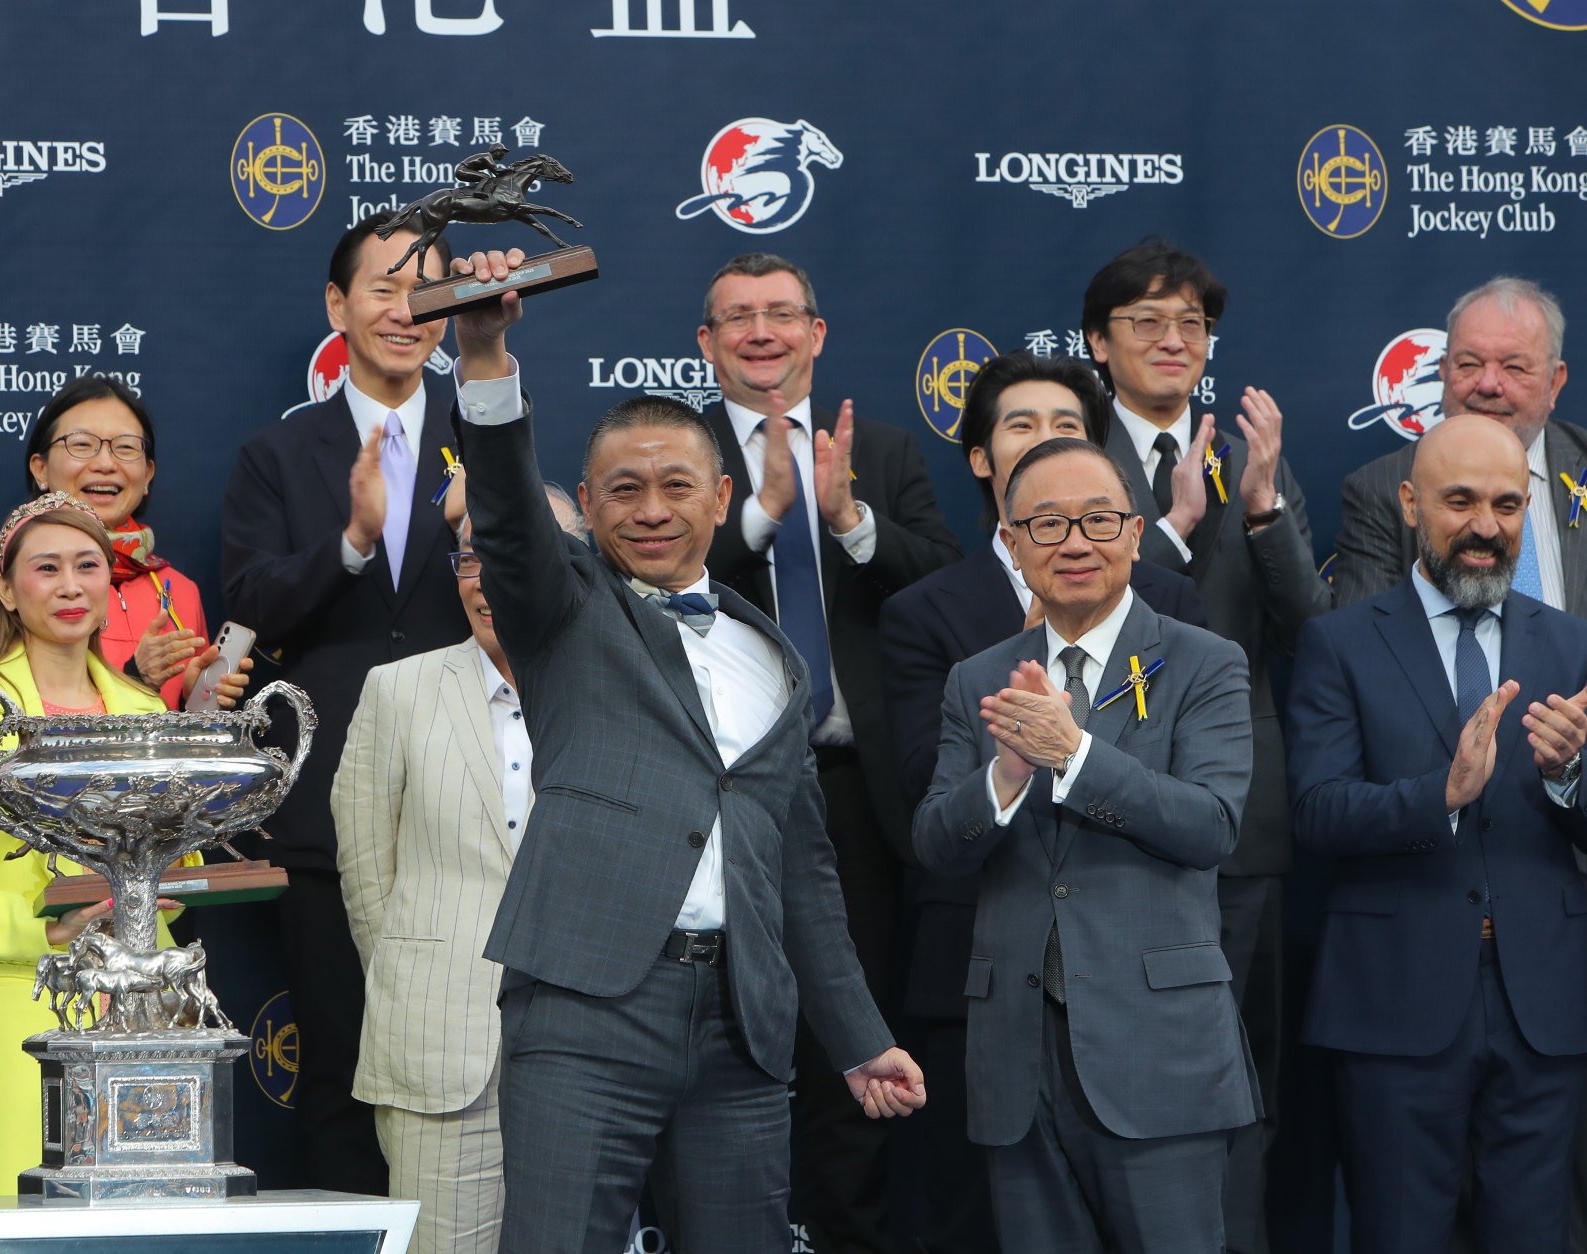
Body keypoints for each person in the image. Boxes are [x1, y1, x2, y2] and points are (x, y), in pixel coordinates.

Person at [451, 246, 923, 1253]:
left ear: (722, 497)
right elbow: (501, 507)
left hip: (742, 1021)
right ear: (586, 502)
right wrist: (484, 347)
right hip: (586, 1006)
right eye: (624, 491)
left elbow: (801, 869)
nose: (652, 509)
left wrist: (858, 1034)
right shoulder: (563, 613)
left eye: (675, 486)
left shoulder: (775, 658)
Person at [878, 350, 1207, 1253]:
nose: (1074, 540)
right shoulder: (960, 664)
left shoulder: (1193, 643)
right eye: (1048, 523)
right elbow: (932, 829)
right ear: (1012, 538)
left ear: (1134, 531)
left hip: (1156, 1037)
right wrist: (1008, 772)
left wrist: (1075, 754)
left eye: (1098, 519)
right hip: (1006, 1026)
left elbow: (1210, 822)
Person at [690, 251, 957, 1254]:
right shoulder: (678, 452)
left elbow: (944, 584)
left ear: (817, 334)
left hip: (856, 799)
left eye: (780, 314)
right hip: (717, 804)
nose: (761, 331)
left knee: (858, 1051)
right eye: (737, 318)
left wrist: (845, 519)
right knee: (723, 1053)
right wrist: (755, 513)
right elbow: (641, 580)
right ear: (705, 345)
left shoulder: (879, 453)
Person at [1081, 238, 1329, 1250]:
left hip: (1237, 828)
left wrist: (1262, 508)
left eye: (1191, 324)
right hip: (1093, 812)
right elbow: (1070, 615)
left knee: (1236, 1083)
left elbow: (1314, 633)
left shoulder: (1250, 462)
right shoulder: (1064, 454)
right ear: (1097, 344)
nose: (1172, 340)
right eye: (1146, 322)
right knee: (1107, 1081)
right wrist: (1172, 529)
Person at [1289, 415, 1587, 1254]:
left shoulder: (1572, 645)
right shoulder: (1338, 642)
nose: (1484, 527)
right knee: (1398, 1235)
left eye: (1503, 504)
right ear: (1411, 503)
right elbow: (1314, 812)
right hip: (1393, 1002)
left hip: (1547, 1005)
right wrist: (1438, 796)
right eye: (1459, 502)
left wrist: (1570, 777)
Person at [219, 211, 470, 1193]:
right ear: (337, 305)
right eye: (383, 287)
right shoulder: (279, 457)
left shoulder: (485, 437)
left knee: (467, 1064)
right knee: (340, 1067)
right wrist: (354, 543)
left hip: (467, 790)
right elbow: (253, 600)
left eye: (428, 291)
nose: (407, 310)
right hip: (328, 799)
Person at [0, 493, 248, 1197]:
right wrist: (47, 928)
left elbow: (174, 880)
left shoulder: (147, 712)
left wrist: (167, 888)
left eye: (87, 566)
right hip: (18, 1015)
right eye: (46, 568)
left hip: (144, 1016)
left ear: (108, 584)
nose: (69, 586)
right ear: (5, 588)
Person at [332, 488, 589, 1254]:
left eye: (514, 554)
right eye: (471, 556)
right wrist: (420, 978)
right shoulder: (399, 690)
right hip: (440, 1048)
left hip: (588, 1048)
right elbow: (366, 870)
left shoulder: (618, 686)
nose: (486, 578)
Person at [0, 376, 207, 706]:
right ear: (40, 469)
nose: (105, 464)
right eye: (82, 444)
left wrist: (195, 700)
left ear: (147, 475)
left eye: (126, 447)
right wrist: (136, 679)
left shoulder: (180, 590)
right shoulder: (4, 575)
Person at [1333, 277, 1580, 610]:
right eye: (1469, 364)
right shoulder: (1380, 488)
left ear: (1555, 382)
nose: (1489, 384)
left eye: (1514, 367)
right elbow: (1366, 647)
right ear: (1444, 372)